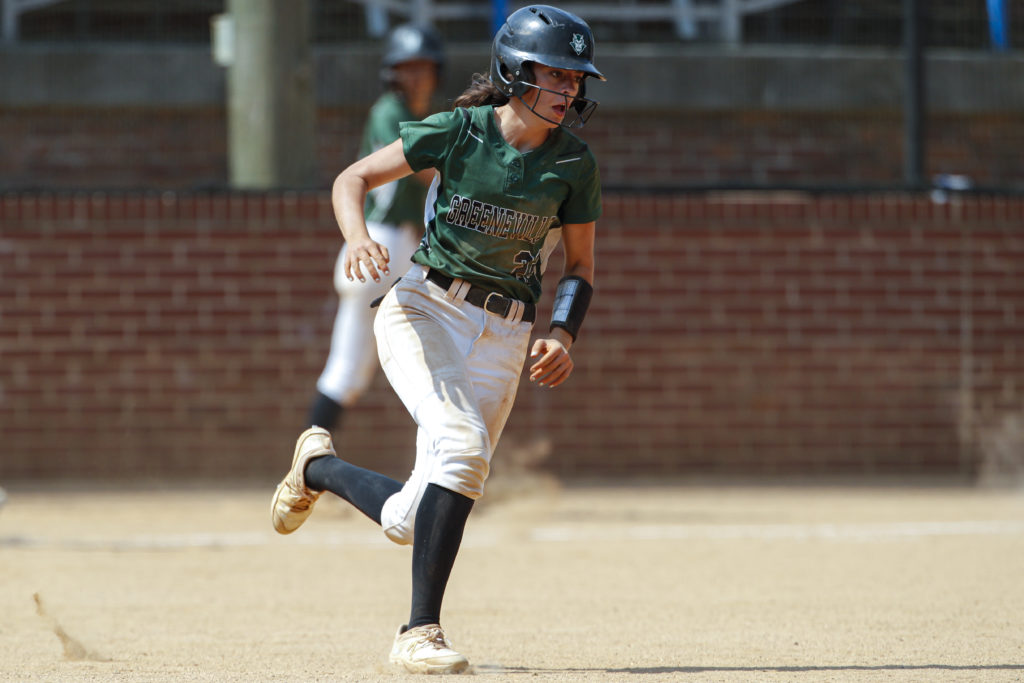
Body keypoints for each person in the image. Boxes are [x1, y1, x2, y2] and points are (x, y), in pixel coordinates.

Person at [272, 5, 605, 674]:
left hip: (507, 334)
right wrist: (359, 237)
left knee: (406, 517)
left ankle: (317, 466)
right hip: (425, 308)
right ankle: (418, 630)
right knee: (462, 448)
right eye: (556, 75)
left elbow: (581, 267)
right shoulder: (460, 131)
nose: (570, 89)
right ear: (516, 71)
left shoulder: (574, 163)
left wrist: (564, 334)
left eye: (576, 79)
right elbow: (352, 180)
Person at [306, 23, 444, 436]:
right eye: (406, 68)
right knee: (348, 373)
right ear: (392, 73)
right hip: (378, 246)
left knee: (432, 358)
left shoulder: (420, 117)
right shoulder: (390, 111)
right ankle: (306, 470)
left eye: (422, 67)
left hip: (402, 245)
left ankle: (448, 464)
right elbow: (417, 169)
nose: (415, 76)